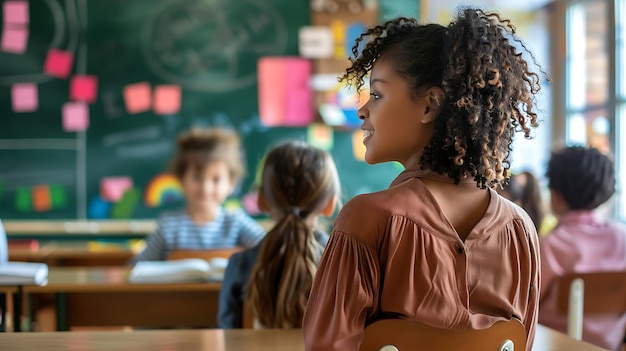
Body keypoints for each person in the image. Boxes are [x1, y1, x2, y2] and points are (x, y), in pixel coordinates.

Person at [302, 8, 543, 351]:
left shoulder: (368, 219)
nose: (362, 110)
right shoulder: (521, 230)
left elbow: (325, 347)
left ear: (430, 105)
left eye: (378, 94)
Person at [217, 140, 341, 328]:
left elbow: (228, 335)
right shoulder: (343, 266)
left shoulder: (240, 266)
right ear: (329, 205)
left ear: (261, 200)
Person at [538, 146, 626, 351]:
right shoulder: (622, 237)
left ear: (556, 195)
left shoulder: (552, 244)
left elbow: (524, 304)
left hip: (554, 346)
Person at [132, 127, 265, 262]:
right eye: (197, 178)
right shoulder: (168, 227)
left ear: (231, 183)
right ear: (181, 179)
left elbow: (271, 250)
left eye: (216, 179)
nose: (205, 188)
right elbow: (137, 267)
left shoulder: (236, 222)